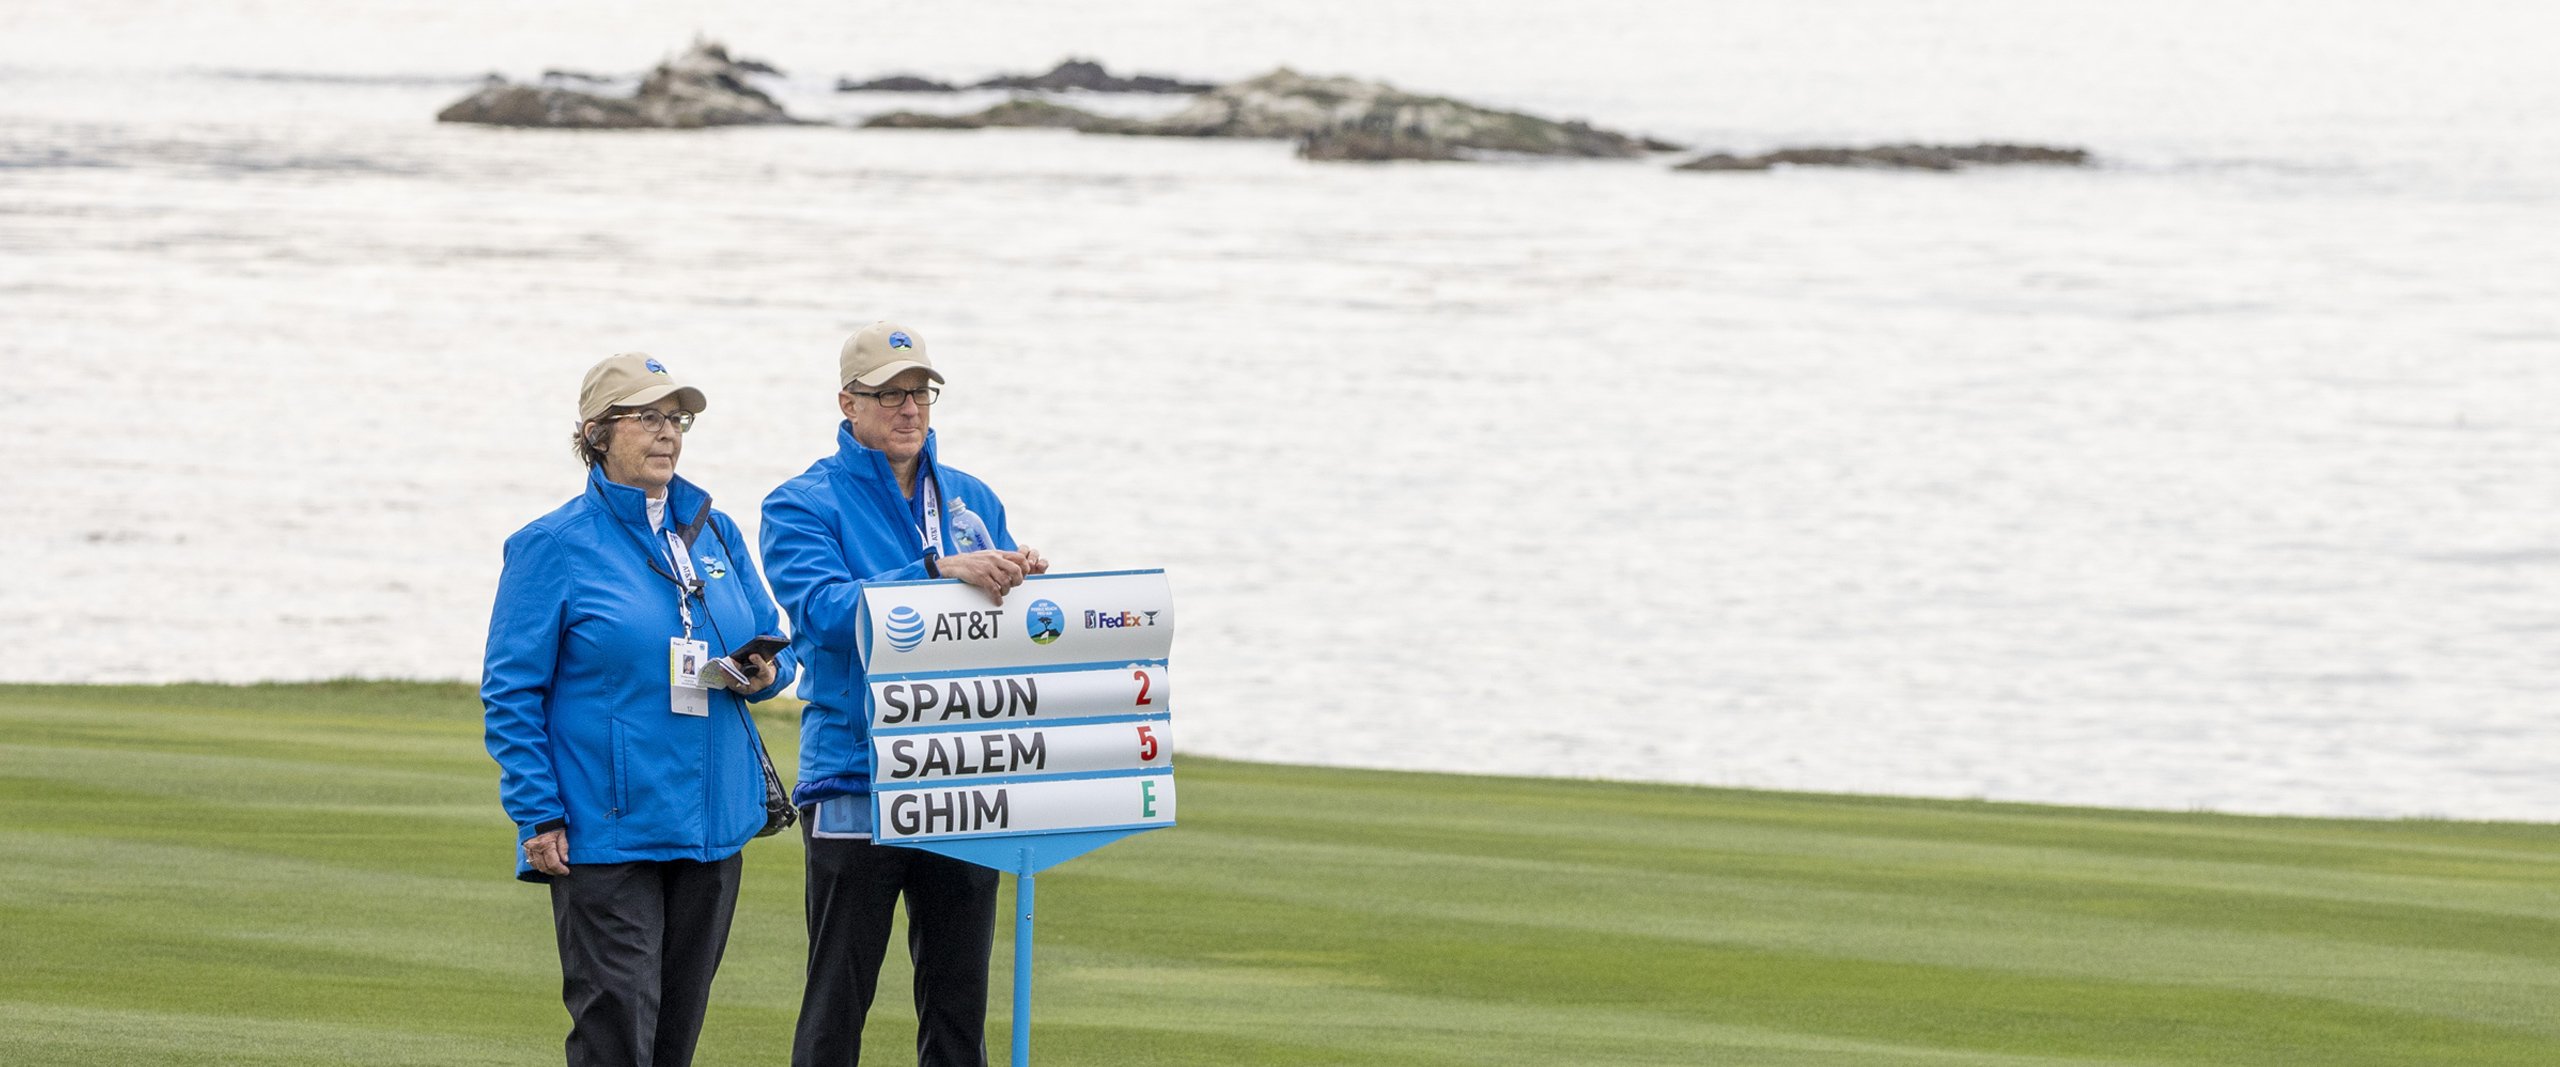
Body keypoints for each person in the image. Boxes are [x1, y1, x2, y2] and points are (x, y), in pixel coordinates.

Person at [483, 352, 799, 1067]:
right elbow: (510, 692)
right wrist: (538, 812)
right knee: (617, 1029)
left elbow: (777, 648)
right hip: (608, 828)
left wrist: (764, 670)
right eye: (648, 417)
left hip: (714, 825)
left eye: (676, 418)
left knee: (676, 1034)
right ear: (596, 432)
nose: (669, 433)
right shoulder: (552, 545)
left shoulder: (714, 530)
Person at [762, 322, 1049, 1067]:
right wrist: (937, 574)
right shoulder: (799, 503)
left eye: (920, 392)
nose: (909, 408)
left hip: (959, 774)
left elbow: (1001, 630)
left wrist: (1023, 584)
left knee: (959, 1006)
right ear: (847, 404)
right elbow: (823, 613)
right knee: (837, 1001)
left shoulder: (972, 496)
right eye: (890, 394)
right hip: (854, 774)